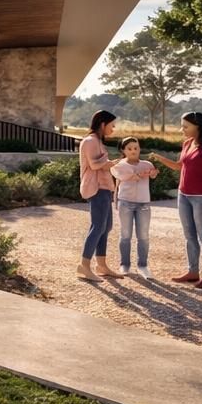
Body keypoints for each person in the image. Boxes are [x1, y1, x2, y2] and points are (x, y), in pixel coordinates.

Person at [151, 112, 202, 289]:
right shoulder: (187, 143)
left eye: (185, 126)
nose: (182, 129)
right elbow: (179, 166)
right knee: (189, 236)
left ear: (198, 126)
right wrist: (159, 159)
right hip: (183, 195)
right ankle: (193, 271)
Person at [77, 110, 122, 279]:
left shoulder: (97, 141)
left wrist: (110, 164)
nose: (114, 128)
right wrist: (110, 163)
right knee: (98, 227)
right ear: (103, 124)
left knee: (106, 226)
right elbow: (95, 165)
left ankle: (101, 265)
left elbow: (99, 163)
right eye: (112, 124)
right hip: (96, 188)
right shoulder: (90, 141)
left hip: (103, 187)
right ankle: (84, 266)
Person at [110, 136, 158, 278]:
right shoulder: (119, 165)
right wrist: (135, 175)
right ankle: (124, 264)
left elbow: (153, 175)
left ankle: (143, 265)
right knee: (125, 235)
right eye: (129, 149)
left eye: (136, 148)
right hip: (125, 202)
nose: (133, 151)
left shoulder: (147, 164)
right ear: (123, 150)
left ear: (139, 149)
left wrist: (153, 173)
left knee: (143, 236)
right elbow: (118, 174)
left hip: (144, 203)